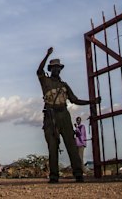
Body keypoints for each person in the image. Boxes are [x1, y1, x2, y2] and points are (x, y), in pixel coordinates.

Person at [37, 47, 100, 183]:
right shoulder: (45, 81)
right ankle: (54, 176)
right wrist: (47, 55)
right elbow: (39, 71)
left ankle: (78, 174)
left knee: (71, 145)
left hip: (64, 115)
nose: (56, 69)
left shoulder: (64, 85)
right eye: (53, 67)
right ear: (50, 69)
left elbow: (75, 100)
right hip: (50, 115)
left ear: (60, 69)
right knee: (52, 147)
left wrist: (91, 101)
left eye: (58, 67)